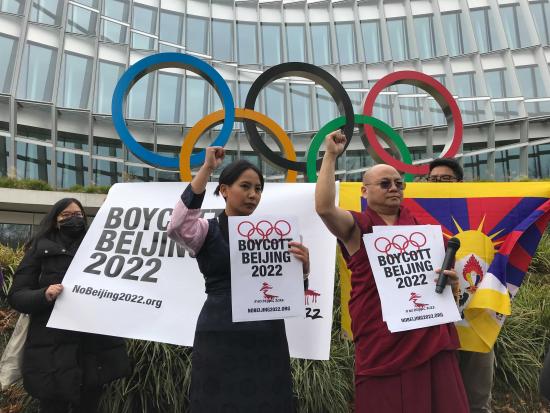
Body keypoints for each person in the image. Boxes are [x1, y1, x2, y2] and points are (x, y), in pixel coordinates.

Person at [315, 130, 469, 412]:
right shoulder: (358, 228)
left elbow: (443, 278)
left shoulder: (424, 232)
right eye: (384, 183)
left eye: (399, 183)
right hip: (383, 339)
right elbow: (324, 208)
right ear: (364, 191)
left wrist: (452, 285)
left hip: (428, 334)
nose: (394, 188)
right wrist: (330, 156)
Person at [167, 147, 310, 413]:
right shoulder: (206, 229)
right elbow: (177, 226)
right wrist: (207, 168)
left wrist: (302, 271)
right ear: (224, 190)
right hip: (220, 333)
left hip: (267, 335)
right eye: (245, 186)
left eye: (258, 189)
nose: (253, 194)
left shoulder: (274, 235)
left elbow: (289, 295)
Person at [8, 198, 131, 413]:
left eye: (78, 214)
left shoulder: (101, 245)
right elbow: (17, 296)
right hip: (51, 347)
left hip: (92, 346)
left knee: (90, 403)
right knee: (53, 405)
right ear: (55, 220)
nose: (74, 219)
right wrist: (43, 295)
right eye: (66, 215)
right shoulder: (38, 249)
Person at [428, 157, 494, 413]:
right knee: (442, 398)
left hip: (476, 319)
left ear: (460, 183)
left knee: (477, 398)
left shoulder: (480, 213)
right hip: (435, 320)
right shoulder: (415, 215)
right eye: (432, 180)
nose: (438, 185)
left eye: (445, 179)